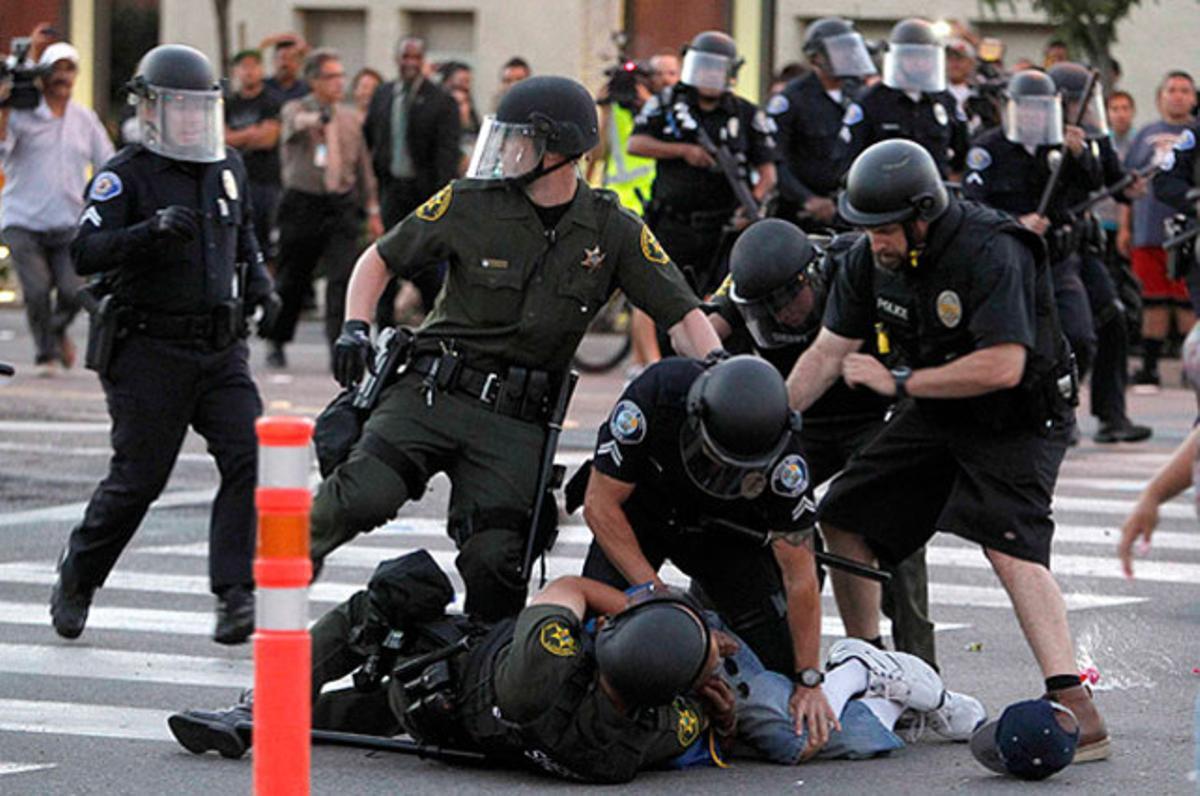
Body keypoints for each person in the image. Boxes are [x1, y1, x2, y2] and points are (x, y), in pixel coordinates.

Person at [311, 76, 722, 619]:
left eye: (516, 139)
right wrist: (355, 327)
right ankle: (263, 588)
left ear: (556, 151)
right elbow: (380, 259)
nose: (503, 150)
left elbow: (684, 315)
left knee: (498, 566)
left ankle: (481, 666)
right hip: (433, 394)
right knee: (357, 497)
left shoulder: (613, 229)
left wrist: (721, 381)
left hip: (515, 424)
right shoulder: (468, 202)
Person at [786, 139, 1110, 763]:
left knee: (1008, 542)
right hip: (939, 408)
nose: (874, 242)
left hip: (1020, 414)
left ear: (922, 216)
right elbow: (827, 352)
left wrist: (901, 382)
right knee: (844, 517)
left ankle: (1075, 701)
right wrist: (772, 418)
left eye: (884, 229)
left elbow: (1004, 364)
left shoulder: (992, 248)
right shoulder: (867, 260)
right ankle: (875, 667)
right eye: (866, 229)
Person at [55, 44, 279, 645]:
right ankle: (80, 573)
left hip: (220, 349)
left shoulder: (227, 164)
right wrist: (146, 233)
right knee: (140, 479)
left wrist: (261, 283)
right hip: (149, 351)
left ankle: (234, 593)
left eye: (200, 108)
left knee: (250, 456)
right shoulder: (126, 174)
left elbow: (244, 233)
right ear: (151, 110)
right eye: (179, 107)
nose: (190, 119)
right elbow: (84, 253)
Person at [168, 569, 726, 783]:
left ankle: (266, 703)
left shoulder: (550, 659)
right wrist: (708, 689)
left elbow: (569, 587)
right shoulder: (639, 740)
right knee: (374, 709)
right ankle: (287, 721)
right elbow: (698, 716)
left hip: (437, 677)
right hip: (456, 731)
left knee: (393, 594)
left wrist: (644, 609)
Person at [707, 220, 937, 668]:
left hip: (871, 417)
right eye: (767, 309)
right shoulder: (746, 282)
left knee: (895, 527)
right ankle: (743, 641)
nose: (782, 316)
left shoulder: (852, 264)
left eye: (787, 301)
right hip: (799, 421)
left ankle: (918, 662)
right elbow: (706, 327)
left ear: (808, 278)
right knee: (744, 506)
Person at [964, 68, 1150, 443]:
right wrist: (1015, 222)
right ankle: (1041, 410)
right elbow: (972, 206)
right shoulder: (990, 148)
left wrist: (1082, 156)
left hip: (1066, 251)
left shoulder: (1068, 144)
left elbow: (1102, 180)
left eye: (1040, 108)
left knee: (1095, 325)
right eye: (1026, 108)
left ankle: (1096, 411)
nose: (1033, 116)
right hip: (1013, 256)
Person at [629, 30, 777, 298]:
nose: (709, 75)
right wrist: (682, 151)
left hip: (723, 229)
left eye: (717, 69)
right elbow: (636, 144)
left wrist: (752, 203)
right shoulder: (667, 103)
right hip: (674, 224)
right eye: (704, 67)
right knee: (660, 296)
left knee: (719, 299)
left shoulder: (746, 113)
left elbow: (768, 173)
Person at [0, 41, 113, 376]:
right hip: (23, 219)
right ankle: (45, 354)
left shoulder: (84, 119)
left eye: (69, 69)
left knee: (73, 291)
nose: (63, 77)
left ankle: (57, 330)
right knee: (36, 291)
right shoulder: (21, 116)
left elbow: (107, 163)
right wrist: (4, 107)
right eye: (57, 70)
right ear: (44, 76)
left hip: (69, 220)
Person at [266, 48, 383, 369]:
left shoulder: (349, 118)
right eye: (331, 76)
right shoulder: (296, 108)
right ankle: (277, 338)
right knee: (293, 277)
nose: (338, 83)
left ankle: (338, 346)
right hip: (303, 202)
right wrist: (316, 120)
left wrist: (372, 208)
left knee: (341, 277)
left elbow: (363, 166)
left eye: (341, 76)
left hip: (340, 203)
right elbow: (294, 123)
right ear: (314, 80)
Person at [362, 37, 461, 323]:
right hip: (391, 190)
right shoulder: (383, 95)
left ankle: (436, 321)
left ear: (423, 60)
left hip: (425, 193)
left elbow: (447, 153)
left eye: (415, 57)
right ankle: (383, 325)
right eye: (405, 57)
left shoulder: (441, 101)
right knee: (386, 259)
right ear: (397, 59)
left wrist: (441, 198)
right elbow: (370, 139)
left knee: (426, 264)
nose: (410, 63)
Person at [1124, 71, 1198, 386]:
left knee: (1186, 303)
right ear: (1160, 97)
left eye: (1185, 90)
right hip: (1158, 232)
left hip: (1186, 235)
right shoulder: (1148, 134)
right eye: (1172, 90)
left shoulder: (1193, 132)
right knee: (1153, 299)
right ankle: (1151, 367)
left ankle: (1189, 369)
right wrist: (1125, 227)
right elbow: (1133, 184)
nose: (1178, 96)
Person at [768, 17, 876, 231]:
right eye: (839, 50)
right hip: (802, 215)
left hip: (851, 209)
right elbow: (774, 159)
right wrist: (807, 199)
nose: (847, 56)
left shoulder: (860, 94)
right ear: (816, 57)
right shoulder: (792, 99)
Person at [841, 18, 969, 180]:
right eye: (911, 57)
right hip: (886, 191)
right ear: (897, 58)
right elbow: (848, 161)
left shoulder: (945, 101)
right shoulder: (870, 102)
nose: (919, 63)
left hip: (934, 191)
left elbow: (962, 154)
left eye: (926, 56)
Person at [224, 49, 282, 269]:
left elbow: (268, 139)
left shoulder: (271, 101)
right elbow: (222, 139)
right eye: (244, 67)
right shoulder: (228, 103)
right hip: (236, 181)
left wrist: (238, 137)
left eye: (254, 66)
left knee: (266, 242)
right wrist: (253, 132)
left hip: (266, 182)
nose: (249, 72)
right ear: (236, 72)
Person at [261, 34, 309, 102]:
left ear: (299, 64)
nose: (286, 63)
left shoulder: (306, 89)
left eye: (291, 58)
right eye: (283, 58)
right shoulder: (262, 87)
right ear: (274, 61)